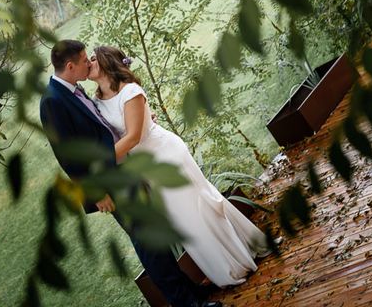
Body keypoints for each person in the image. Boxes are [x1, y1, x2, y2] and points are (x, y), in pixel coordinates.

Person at [40, 40, 222, 307]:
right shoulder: (53, 102)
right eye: (84, 61)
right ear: (70, 66)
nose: (89, 64)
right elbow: (68, 157)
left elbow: (101, 126)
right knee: (149, 245)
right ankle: (187, 303)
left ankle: (190, 291)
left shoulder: (74, 89)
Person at [89, 45, 274, 288]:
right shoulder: (96, 100)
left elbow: (134, 136)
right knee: (183, 220)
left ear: (106, 62)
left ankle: (234, 264)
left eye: (93, 58)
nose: (89, 62)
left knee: (196, 212)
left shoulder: (131, 91)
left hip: (165, 156)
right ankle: (242, 249)